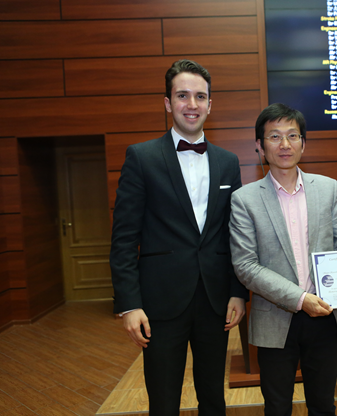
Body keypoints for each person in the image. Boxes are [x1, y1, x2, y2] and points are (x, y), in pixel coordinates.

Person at [109, 59, 248, 416]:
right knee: (164, 401)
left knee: (213, 399)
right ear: (168, 103)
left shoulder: (228, 162)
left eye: (200, 96)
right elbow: (123, 238)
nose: (192, 104)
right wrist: (129, 304)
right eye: (182, 95)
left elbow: (234, 234)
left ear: (210, 105)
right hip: (159, 302)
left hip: (215, 300)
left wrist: (237, 291)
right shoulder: (141, 157)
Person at [229, 103, 337, 416]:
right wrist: (300, 299)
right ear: (260, 146)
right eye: (274, 136)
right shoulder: (244, 199)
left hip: (325, 314)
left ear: (303, 143)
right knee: (277, 408)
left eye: (292, 135)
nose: (284, 144)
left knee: (323, 406)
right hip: (274, 318)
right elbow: (246, 266)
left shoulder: (328, 189)